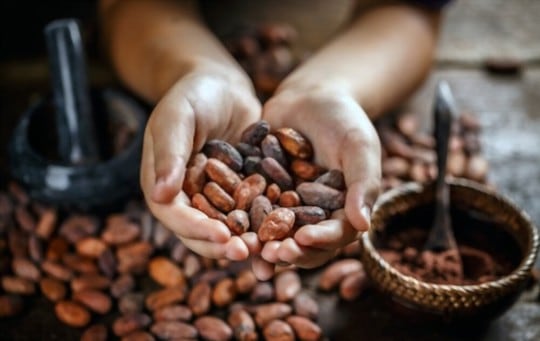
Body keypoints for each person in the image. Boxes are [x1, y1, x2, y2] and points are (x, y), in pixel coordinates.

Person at [99, 0, 449, 280]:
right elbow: (127, 7)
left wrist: (329, 87)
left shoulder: (277, 176)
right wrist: (198, 72)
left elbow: (411, 10)